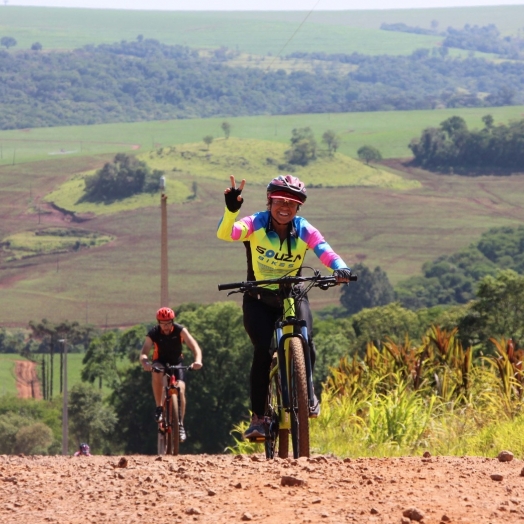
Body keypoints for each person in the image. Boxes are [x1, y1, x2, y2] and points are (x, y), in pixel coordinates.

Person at [217, 174, 352, 439]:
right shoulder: (256, 223)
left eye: (292, 204)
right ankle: (258, 418)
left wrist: (340, 268)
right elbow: (226, 234)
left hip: (292, 295)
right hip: (258, 299)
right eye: (280, 201)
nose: (285, 208)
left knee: (306, 339)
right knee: (262, 352)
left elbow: (324, 250)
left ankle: (307, 396)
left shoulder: (303, 228)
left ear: (298, 208)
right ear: (270, 200)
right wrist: (231, 210)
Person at [140, 307, 203, 442]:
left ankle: (180, 424)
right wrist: (145, 363)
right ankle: (159, 407)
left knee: (180, 390)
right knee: (157, 372)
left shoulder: (180, 330)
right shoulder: (153, 333)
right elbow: (144, 352)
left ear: (173, 321)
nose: (167, 327)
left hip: (176, 362)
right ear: (158, 323)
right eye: (163, 324)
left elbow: (194, 346)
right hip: (160, 361)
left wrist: (197, 361)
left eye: (169, 323)